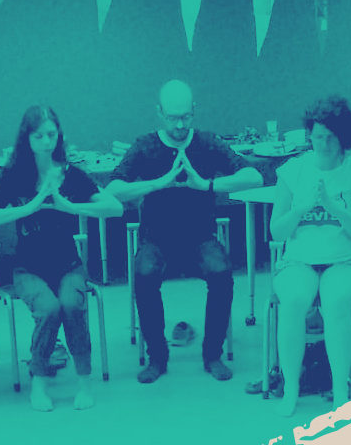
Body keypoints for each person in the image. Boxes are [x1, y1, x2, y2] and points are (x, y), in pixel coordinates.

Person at [106, 79, 263, 383]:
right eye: (172, 117)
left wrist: (206, 185)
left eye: (186, 116)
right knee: (144, 274)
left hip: (200, 238)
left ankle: (212, 355)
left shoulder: (208, 143)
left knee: (221, 273)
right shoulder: (145, 146)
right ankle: (157, 357)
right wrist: (157, 183)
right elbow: (112, 188)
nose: (179, 125)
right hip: (156, 239)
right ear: (159, 113)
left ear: (194, 110)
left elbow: (253, 177)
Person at [0, 106, 122, 411]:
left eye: (51, 135)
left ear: (59, 136)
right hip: (28, 269)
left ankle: (84, 383)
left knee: (71, 304)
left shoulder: (71, 175)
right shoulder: (14, 176)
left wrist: (70, 207)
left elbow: (115, 208)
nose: (46, 141)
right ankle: (38, 384)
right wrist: (28, 208)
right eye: (38, 136)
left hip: (69, 265)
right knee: (49, 309)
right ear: (27, 138)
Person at [248, 97, 351, 416]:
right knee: (293, 300)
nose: (323, 144)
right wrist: (301, 208)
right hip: (299, 260)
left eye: (331, 137)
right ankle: (291, 387)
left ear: (344, 137)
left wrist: (335, 209)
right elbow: (277, 231)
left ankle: (339, 389)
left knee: (335, 301)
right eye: (318, 136)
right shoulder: (293, 171)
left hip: (346, 260)